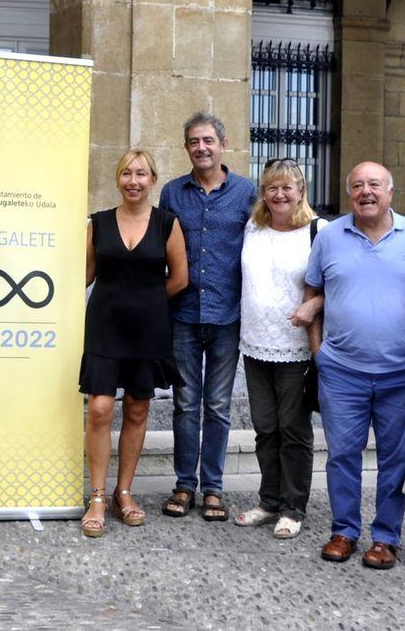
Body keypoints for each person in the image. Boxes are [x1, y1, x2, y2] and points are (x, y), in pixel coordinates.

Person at [306, 161, 405, 569]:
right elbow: (312, 291)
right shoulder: (329, 238)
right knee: (342, 454)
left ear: (390, 191)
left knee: (395, 459)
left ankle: (385, 538)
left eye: (374, 184)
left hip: (402, 374)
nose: (367, 192)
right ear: (349, 194)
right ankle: (343, 531)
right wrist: (319, 353)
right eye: (358, 185)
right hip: (341, 372)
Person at [79, 149, 187, 537]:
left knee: (138, 410)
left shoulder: (166, 223)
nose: (133, 180)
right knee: (100, 409)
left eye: (141, 174)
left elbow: (179, 278)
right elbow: (84, 275)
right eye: (126, 173)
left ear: (153, 180)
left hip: (148, 328)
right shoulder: (99, 223)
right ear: (118, 178)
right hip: (105, 326)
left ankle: (124, 491)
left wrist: (147, 300)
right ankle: (96, 495)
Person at [158, 112, 256, 521]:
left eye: (208, 141)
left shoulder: (246, 192)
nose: (201, 148)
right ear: (186, 148)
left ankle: (213, 487)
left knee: (217, 405)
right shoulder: (172, 193)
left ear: (223, 144)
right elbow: (161, 246)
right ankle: (184, 485)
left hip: (226, 314)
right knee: (184, 403)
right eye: (194, 141)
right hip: (182, 312)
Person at [233, 159, 324, 539]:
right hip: (255, 344)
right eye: (272, 187)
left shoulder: (319, 231)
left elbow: (334, 284)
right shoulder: (254, 227)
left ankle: (293, 507)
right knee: (265, 428)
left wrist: (313, 305)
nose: (280, 194)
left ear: (301, 191)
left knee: (293, 429)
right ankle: (269, 500)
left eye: (288, 187)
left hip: (296, 348)